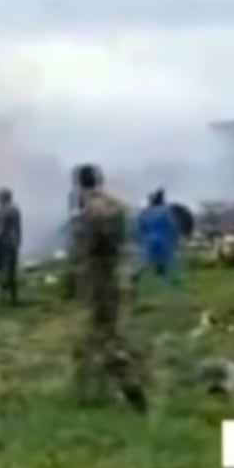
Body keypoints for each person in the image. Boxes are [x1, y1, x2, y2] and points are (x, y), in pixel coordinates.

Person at [69, 165, 147, 413]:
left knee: (103, 331)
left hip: (100, 276)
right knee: (111, 327)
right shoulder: (116, 205)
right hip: (119, 272)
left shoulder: (91, 211)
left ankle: (126, 384)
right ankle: (114, 378)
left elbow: (86, 247)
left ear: (80, 184)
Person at [134, 188, 180, 287]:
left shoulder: (146, 212)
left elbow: (140, 226)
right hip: (163, 238)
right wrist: (175, 237)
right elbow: (172, 225)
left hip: (149, 239)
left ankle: (137, 273)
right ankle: (167, 277)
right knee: (166, 259)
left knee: (146, 259)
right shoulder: (165, 211)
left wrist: (142, 237)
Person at [0, 187, 23, 304]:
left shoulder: (3, 211)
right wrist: (19, 240)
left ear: (3, 198)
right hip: (12, 241)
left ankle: (4, 296)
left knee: (2, 269)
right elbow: (18, 228)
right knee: (10, 270)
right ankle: (12, 297)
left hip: (3, 241)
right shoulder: (15, 210)